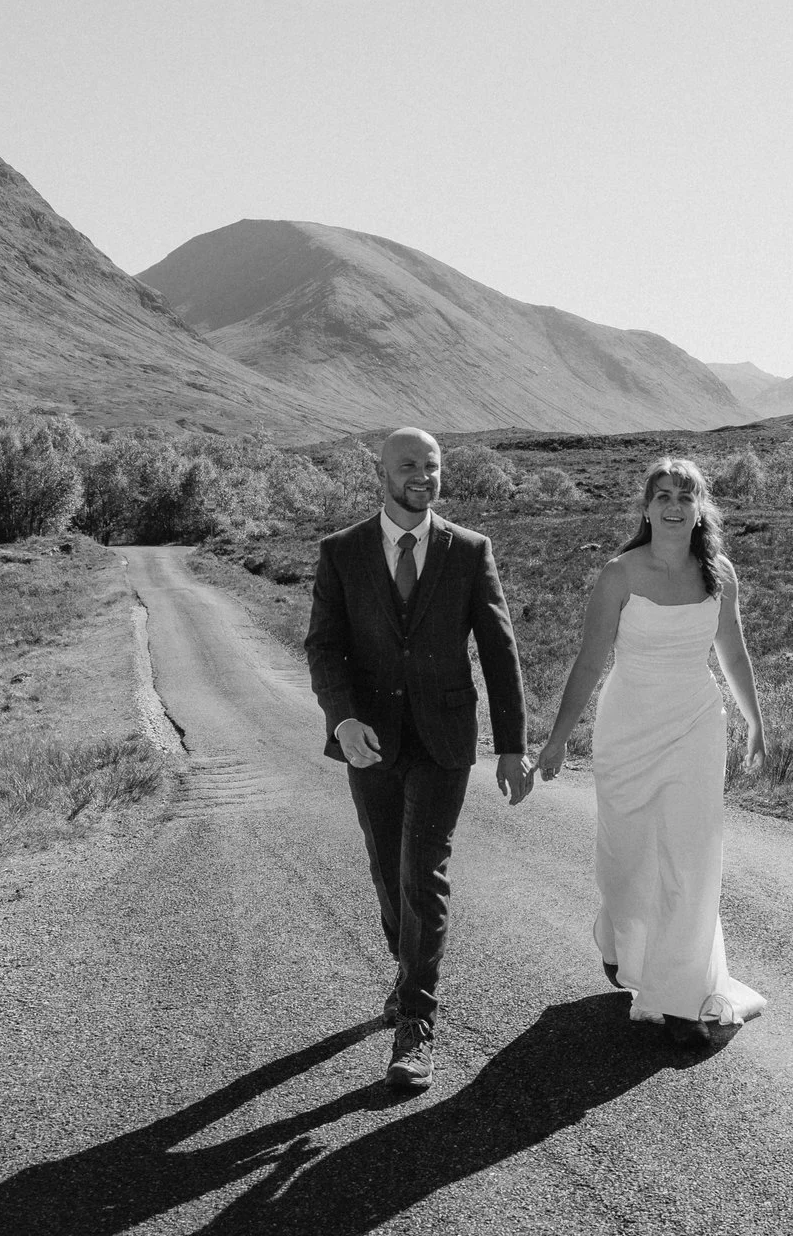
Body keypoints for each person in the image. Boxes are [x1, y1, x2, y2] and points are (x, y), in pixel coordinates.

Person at [305, 427, 534, 1091]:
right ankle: (408, 975)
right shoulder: (342, 552)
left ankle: (416, 1025)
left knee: (421, 872)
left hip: (443, 742)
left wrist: (512, 745)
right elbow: (325, 647)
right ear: (382, 471)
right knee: (385, 871)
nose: (423, 476)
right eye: (410, 465)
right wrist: (342, 719)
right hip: (368, 742)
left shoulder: (469, 552)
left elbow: (500, 650)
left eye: (432, 466)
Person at [537, 456, 768, 1046]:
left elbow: (733, 656)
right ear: (646, 507)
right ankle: (622, 940)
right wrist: (560, 736)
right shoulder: (619, 574)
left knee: (692, 858)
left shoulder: (719, 574)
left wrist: (755, 725)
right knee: (629, 856)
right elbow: (590, 660)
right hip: (628, 728)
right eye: (662, 495)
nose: (673, 506)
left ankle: (682, 998)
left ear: (700, 509)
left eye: (684, 497)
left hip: (696, 726)